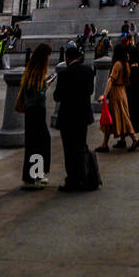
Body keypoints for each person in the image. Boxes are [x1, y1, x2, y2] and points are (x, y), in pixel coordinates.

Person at [53, 45, 98, 191]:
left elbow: (57, 96)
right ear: (79, 57)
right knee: (81, 146)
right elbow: (91, 90)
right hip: (83, 116)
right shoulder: (88, 70)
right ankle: (84, 177)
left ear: (66, 58)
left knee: (69, 150)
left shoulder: (64, 74)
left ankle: (72, 180)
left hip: (68, 117)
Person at [17, 44, 54, 187]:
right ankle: (32, 178)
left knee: (39, 143)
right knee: (37, 144)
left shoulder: (32, 70)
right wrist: (46, 85)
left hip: (34, 111)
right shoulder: (37, 72)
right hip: (36, 111)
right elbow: (38, 94)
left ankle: (37, 175)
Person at [100, 41, 139, 151]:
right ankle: (107, 143)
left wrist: (104, 94)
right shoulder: (126, 64)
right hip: (122, 91)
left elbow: (111, 80)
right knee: (117, 117)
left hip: (116, 92)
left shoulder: (117, 64)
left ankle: (135, 138)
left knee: (119, 117)